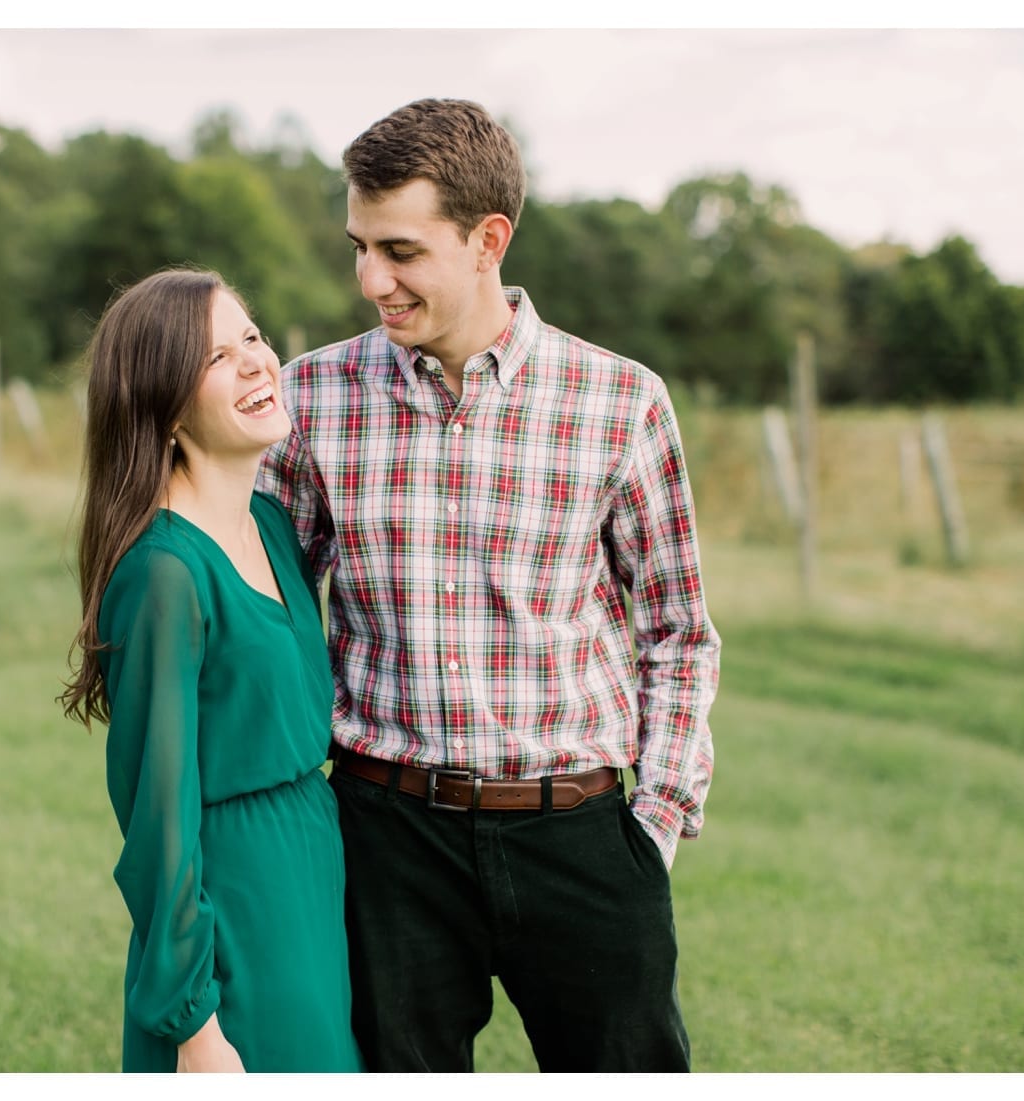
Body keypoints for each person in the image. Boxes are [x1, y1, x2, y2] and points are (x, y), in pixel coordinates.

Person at [257, 98, 720, 1073]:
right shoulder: (310, 399)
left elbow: (677, 627)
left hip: (584, 836)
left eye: (399, 250)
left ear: (486, 239)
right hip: (387, 842)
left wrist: (658, 823)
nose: (369, 278)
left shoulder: (620, 400)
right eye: (359, 246)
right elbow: (267, 619)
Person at [60, 268, 362, 1073]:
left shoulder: (270, 522)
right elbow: (159, 819)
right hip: (235, 904)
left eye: (253, 337)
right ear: (164, 404)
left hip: (309, 875)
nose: (258, 363)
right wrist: (196, 1024)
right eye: (218, 357)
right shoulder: (164, 571)